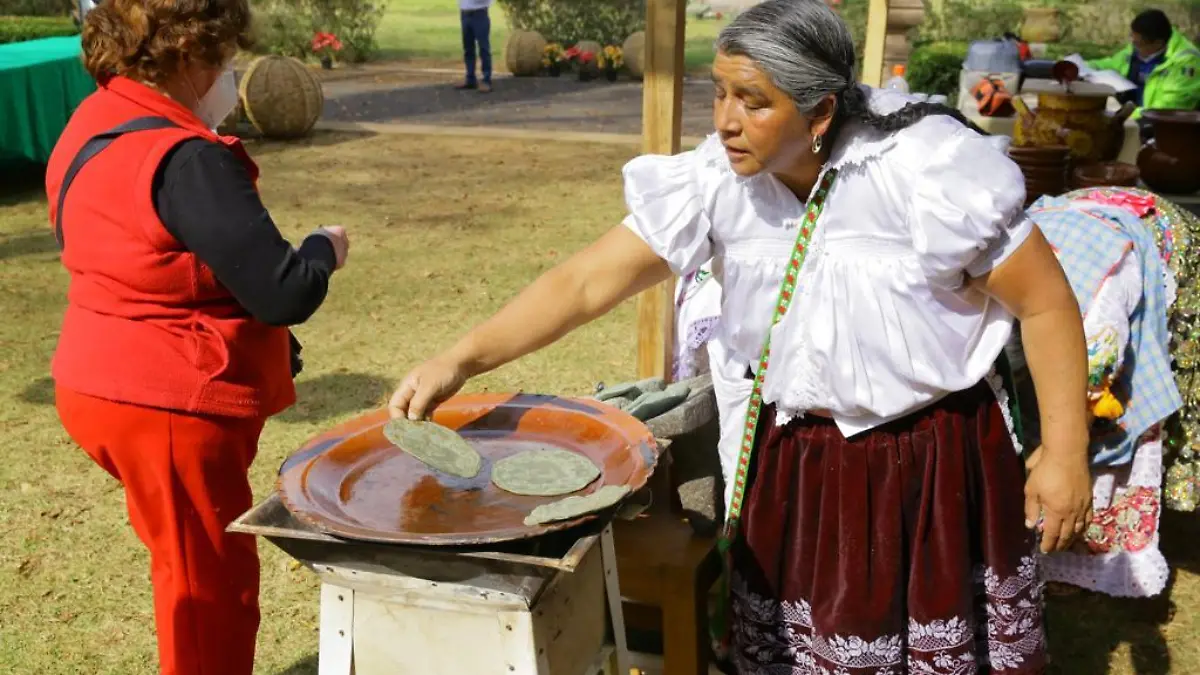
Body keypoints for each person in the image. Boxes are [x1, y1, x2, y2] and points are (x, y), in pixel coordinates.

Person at [391, 0, 1092, 672]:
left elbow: (1048, 304)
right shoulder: (720, 180)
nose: (726, 121)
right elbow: (586, 283)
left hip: (926, 465)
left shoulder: (922, 171)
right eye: (719, 92)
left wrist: (1065, 454)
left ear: (819, 111)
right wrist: (461, 356)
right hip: (795, 464)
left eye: (753, 101)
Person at [45, 1, 349, 673]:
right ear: (186, 52)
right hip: (165, 406)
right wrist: (325, 248)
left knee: (181, 560)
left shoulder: (93, 120)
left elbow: (134, 251)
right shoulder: (184, 157)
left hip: (96, 382)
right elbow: (283, 288)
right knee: (206, 591)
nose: (228, 72)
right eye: (222, 56)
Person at [1011, 188, 1184, 599]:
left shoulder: (1091, 306)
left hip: (1142, 244)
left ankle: (1083, 558)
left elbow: (1088, 389)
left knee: (1078, 441)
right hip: (1082, 225)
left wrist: (1059, 453)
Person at [1088, 9, 1200, 116]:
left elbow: (1169, 110)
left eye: (1138, 44)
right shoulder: (1139, 48)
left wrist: (1124, 115)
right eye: (1132, 39)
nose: (1133, 47)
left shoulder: (1186, 63)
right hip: (1130, 116)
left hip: (1160, 127)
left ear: (1158, 43)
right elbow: (1111, 64)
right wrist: (1081, 67)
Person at [458, 0, 494, 93]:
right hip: (465, 12)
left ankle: (486, 80)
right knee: (468, 48)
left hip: (479, 13)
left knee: (483, 48)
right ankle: (470, 78)